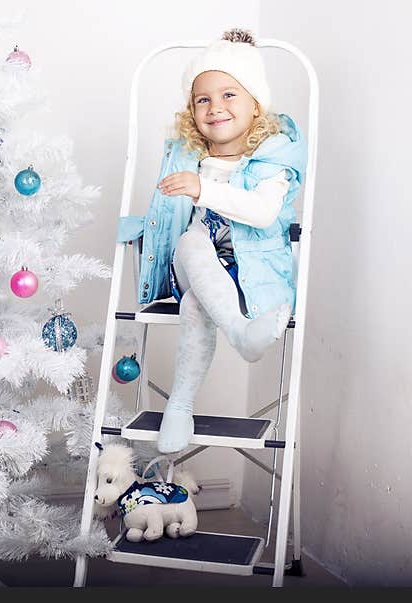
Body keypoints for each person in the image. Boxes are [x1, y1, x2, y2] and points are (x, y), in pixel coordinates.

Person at [117, 29, 307, 454]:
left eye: (229, 95)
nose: (215, 107)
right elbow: (169, 218)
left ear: (255, 103)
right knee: (190, 242)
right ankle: (242, 334)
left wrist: (202, 189)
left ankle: (179, 408)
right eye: (202, 99)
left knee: (197, 303)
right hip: (195, 263)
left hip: (248, 275)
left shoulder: (274, 155)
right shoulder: (188, 155)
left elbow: (262, 213)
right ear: (192, 111)